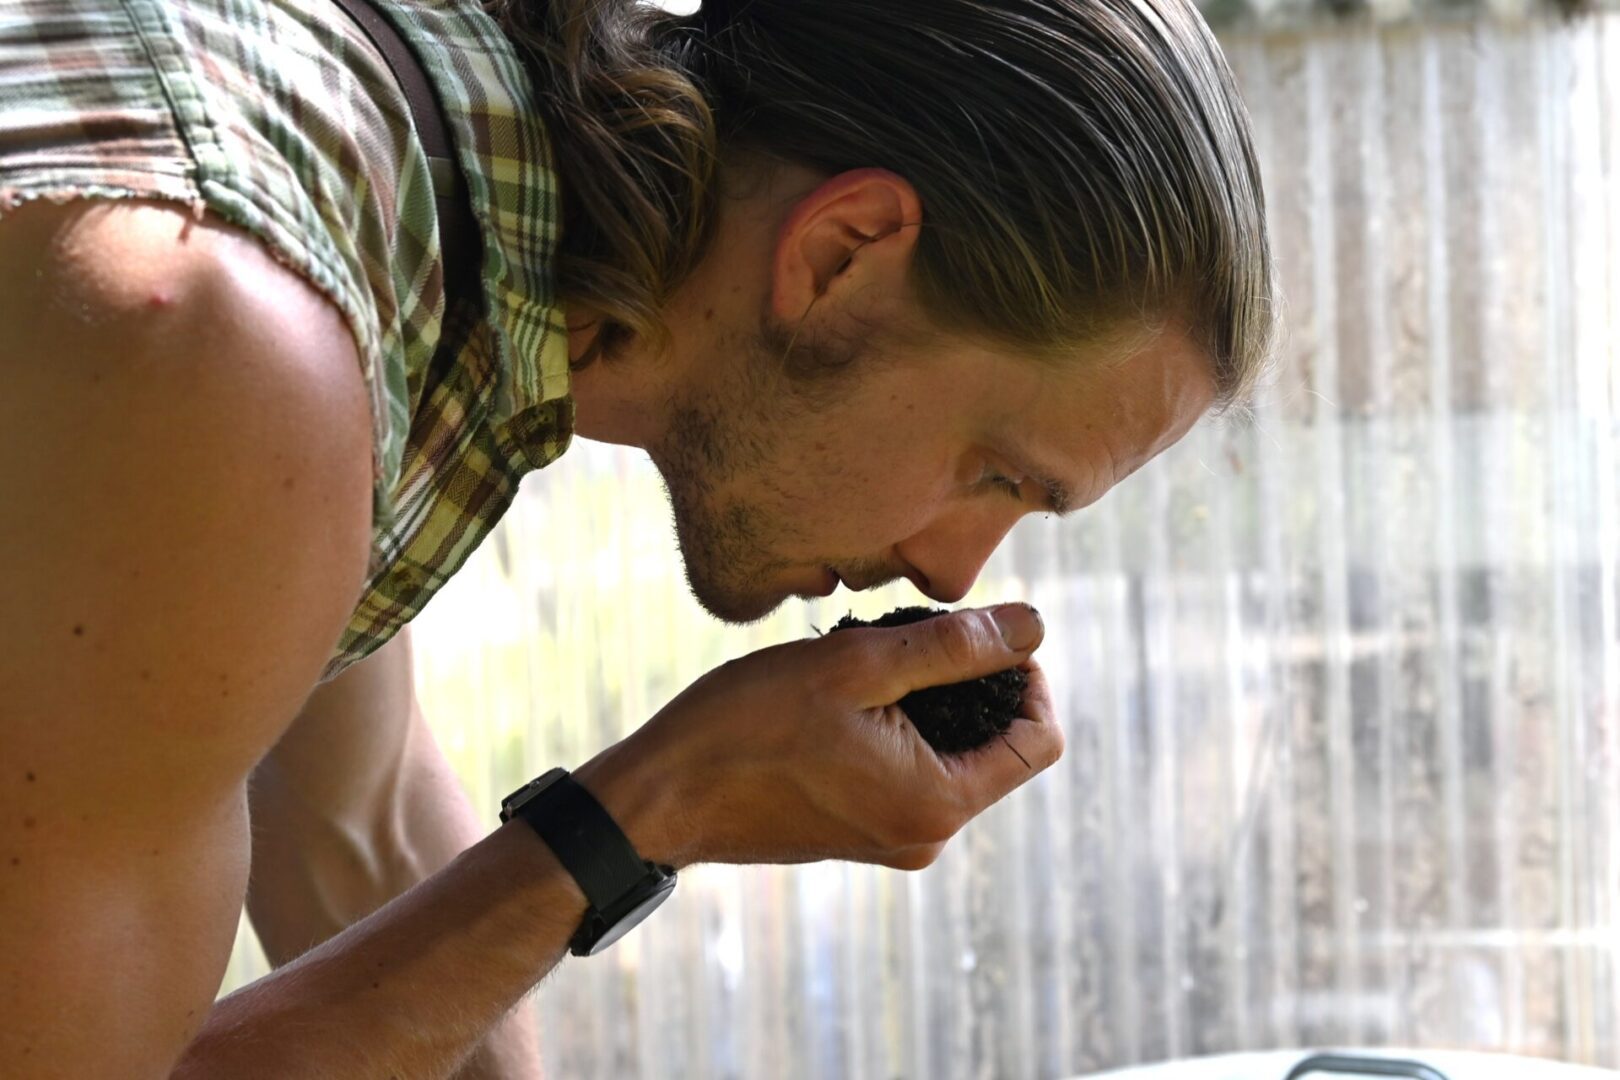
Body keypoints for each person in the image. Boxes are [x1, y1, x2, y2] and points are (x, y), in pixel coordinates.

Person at [0, 0, 1273, 1073]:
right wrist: (656, 804)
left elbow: (357, 835)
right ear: (841, 255)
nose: (953, 571)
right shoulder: (229, 334)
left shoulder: (417, 206)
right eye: (994, 473)